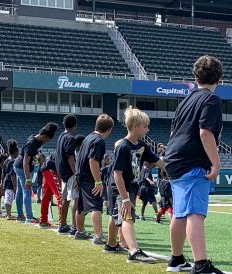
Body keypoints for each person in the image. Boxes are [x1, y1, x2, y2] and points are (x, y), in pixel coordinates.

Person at [161, 55, 230, 274]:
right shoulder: (211, 100)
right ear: (219, 77)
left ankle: (177, 258)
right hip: (192, 162)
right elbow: (205, 132)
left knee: (179, 212)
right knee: (195, 213)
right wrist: (216, 162)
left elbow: (173, 133)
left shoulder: (185, 100)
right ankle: (200, 265)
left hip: (173, 159)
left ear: (195, 76)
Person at [111, 108, 163, 263]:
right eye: (145, 126)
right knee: (128, 218)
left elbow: (157, 161)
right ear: (134, 126)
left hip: (133, 188)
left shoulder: (142, 145)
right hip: (123, 189)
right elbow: (117, 174)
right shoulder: (123, 146)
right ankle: (134, 251)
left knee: (120, 217)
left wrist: (173, 168)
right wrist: (125, 198)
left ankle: (114, 243)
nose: (147, 129)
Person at [74, 114, 114, 244]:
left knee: (81, 205)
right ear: (109, 130)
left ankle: (80, 231)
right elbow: (93, 160)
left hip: (80, 175)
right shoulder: (99, 140)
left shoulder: (88, 137)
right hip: (88, 176)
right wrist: (98, 181)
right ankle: (98, 236)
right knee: (96, 205)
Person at [21, 124, 58, 226]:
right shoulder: (31, 143)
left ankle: (21, 215)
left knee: (21, 192)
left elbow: (37, 154)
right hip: (22, 167)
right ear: (44, 136)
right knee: (27, 191)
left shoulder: (36, 139)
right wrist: (28, 179)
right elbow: (25, 162)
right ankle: (28, 217)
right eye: (48, 140)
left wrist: (41, 160)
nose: (47, 142)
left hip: (29, 166)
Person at [54, 115, 82, 236]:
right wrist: (76, 174)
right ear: (75, 125)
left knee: (65, 199)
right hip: (70, 172)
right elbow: (71, 158)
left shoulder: (61, 136)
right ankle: (74, 227)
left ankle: (62, 224)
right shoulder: (70, 138)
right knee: (75, 198)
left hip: (62, 172)